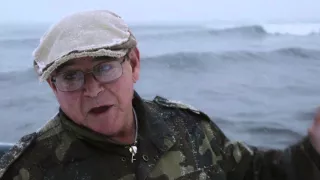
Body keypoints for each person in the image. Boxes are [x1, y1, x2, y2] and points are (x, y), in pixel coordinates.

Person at [0, 9, 320, 180]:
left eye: (105, 67)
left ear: (134, 64)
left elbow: (256, 173)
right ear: (54, 87)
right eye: (71, 76)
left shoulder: (189, 129)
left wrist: (313, 151)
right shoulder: (31, 169)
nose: (93, 89)